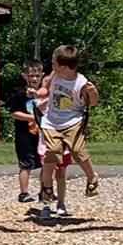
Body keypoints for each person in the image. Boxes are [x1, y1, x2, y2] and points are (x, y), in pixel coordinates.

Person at [35, 44, 100, 220]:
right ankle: (47, 188)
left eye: (53, 63)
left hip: (73, 121)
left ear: (63, 67)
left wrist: (93, 93)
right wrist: (36, 92)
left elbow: (92, 102)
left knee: (78, 152)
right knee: (53, 152)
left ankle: (92, 177)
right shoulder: (54, 75)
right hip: (51, 121)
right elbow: (45, 89)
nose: (51, 65)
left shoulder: (81, 82)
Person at [3, 59, 45, 203]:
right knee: (26, 164)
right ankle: (24, 192)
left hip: (42, 136)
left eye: (37, 76)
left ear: (42, 76)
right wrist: (32, 117)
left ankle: (44, 191)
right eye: (31, 75)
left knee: (46, 163)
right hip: (24, 136)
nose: (34, 79)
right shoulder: (20, 96)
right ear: (24, 76)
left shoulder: (44, 95)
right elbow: (15, 113)